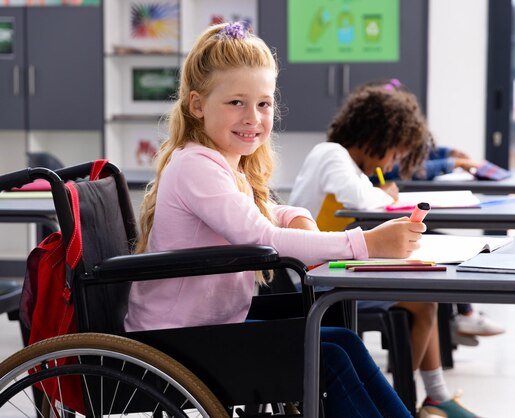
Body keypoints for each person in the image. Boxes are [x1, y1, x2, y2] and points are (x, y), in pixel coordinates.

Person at [124, 22, 423, 418]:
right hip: (176, 340)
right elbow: (260, 234)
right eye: (236, 103)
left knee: (341, 343)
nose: (253, 118)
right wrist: (367, 244)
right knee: (328, 356)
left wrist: (296, 215)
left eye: (263, 104)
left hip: (212, 324)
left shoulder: (222, 161)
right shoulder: (197, 165)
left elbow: (261, 214)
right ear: (197, 105)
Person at [289, 80, 481, 418]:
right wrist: (388, 195)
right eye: (393, 152)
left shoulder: (347, 163)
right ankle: (408, 400)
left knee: (424, 296)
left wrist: (384, 193)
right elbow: (361, 198)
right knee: (423, 303)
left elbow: (369, 195)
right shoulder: (331, 154)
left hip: (331, 269)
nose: (392, 161)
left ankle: (429, 398)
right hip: (313, 281)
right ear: (376, 135)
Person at [367, 79, 506, 347]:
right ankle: (462, 315)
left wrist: (448, 154)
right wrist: (452, 162)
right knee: (436, 244)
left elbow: (419, 155)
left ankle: (460, 316)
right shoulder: (367, 153)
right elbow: (408, 169)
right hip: (376, 227)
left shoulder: (386, 146)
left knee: (441, 242)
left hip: (383, 220)